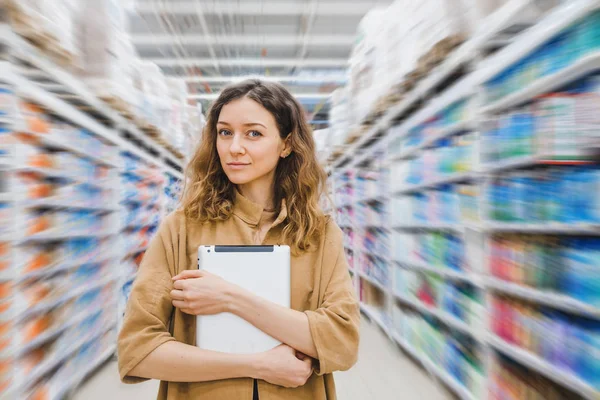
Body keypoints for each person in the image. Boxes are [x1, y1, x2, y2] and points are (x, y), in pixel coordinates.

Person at [117, 79, 360, 400]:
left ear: (286, 144)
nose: (234, 147)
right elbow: (137, 351)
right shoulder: (180, 229)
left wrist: (231, 298)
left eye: (254, 133)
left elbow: (342, 344)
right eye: (225, 132)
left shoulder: (319, 233)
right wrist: (256, 365)